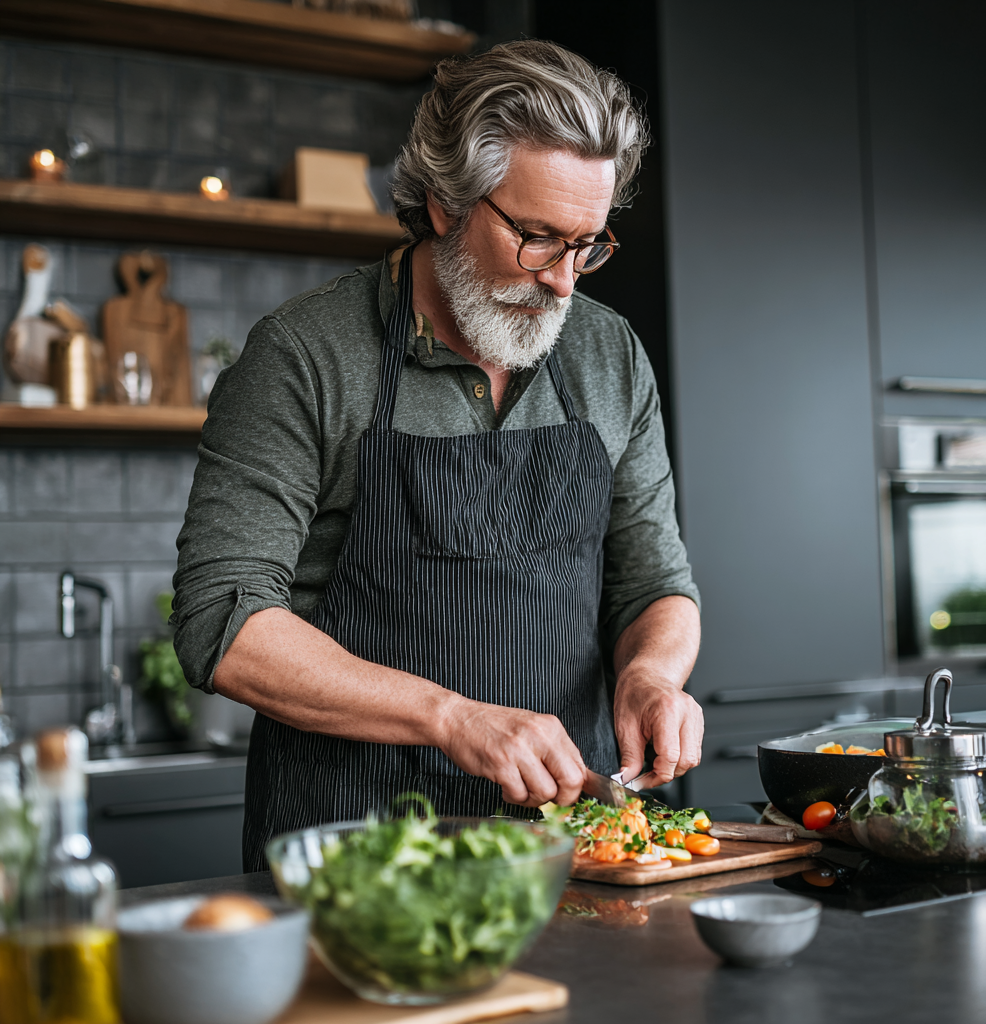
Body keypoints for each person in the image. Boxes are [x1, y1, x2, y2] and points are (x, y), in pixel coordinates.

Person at [172, 39, 703, 870]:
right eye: (537, 238)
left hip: (573, 855)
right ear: (446, 201)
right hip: (354, 856)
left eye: (588, 244)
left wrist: (652, 678)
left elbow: (656, 584)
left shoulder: (610, 354)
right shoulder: (306, 355)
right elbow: (224, 621)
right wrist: (454, 718)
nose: (565, 281)